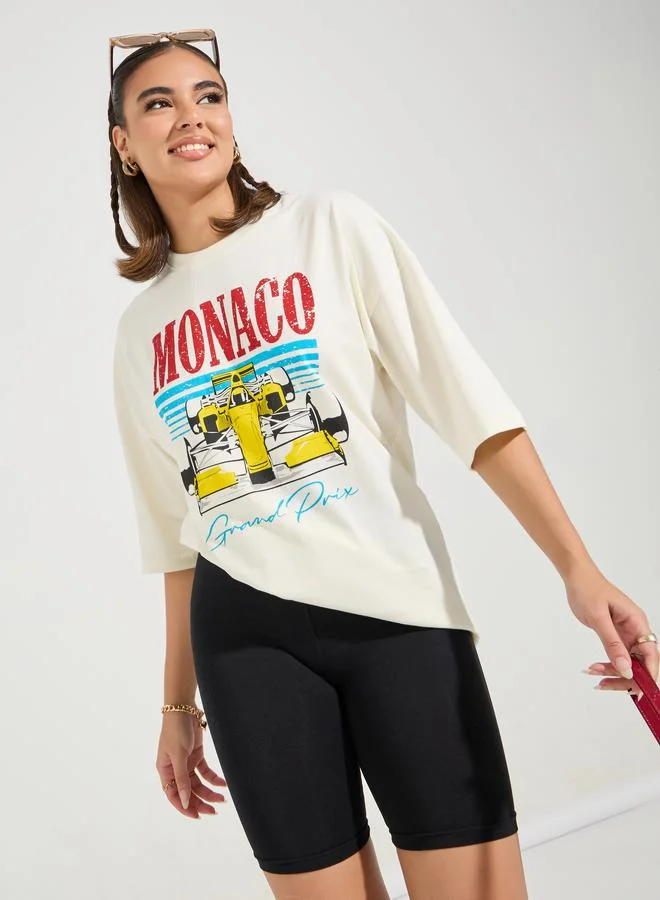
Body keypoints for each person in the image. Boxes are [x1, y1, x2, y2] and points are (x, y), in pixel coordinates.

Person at [108, 30, 658, 900]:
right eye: (158, 103)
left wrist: (578, 569)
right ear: (124, 146)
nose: (191, 117)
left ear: (232, 120)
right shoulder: (141, 330)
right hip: (244, 642)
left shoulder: (331, 228)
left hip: (398, 617)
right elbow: (178, 539)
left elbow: (471, 410)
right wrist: (178, 707)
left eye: (208, 95)